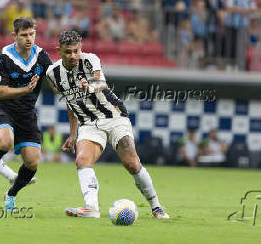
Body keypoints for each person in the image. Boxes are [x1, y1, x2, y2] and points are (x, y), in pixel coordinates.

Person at [46, 31, 169, 219]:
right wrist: (73, 134)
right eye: (67, 52)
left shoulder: (89, 60)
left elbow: (100, 83)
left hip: (114, 116)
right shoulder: (52, 73)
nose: (72, 56)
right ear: (58, 50)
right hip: (88, 123)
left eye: (76, 51)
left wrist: (90, 86)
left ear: (81, 48)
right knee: (82, 161)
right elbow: (69, 101)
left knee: (132, 164)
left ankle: (156, 206)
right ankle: (92, 208)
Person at [0, 17, 52, 211]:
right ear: (14, 36)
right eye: (24, 35)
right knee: (4, 142)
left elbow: (55, 82)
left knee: (32, 162)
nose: (29, 38)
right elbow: (1, 91)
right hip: (3, 107)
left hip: (26, 113)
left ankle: (11, 194)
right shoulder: (3, 57)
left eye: (32, 34)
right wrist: (25, 90)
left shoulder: (42, 56)